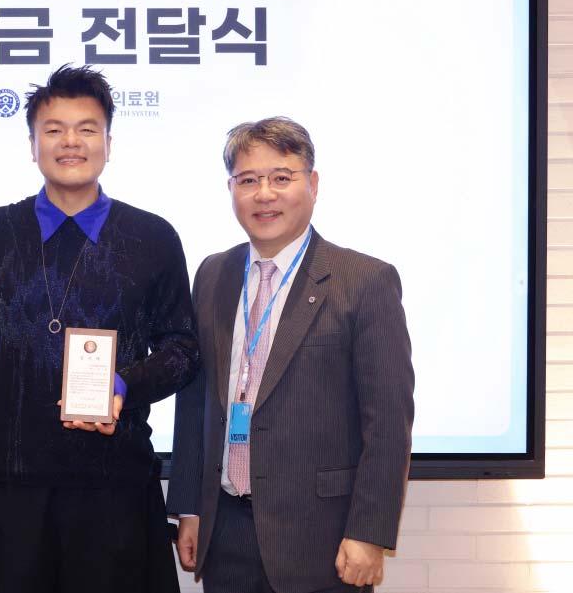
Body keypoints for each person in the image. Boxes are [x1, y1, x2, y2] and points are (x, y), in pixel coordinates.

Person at [0, 65, 199, 593]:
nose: (70, 142)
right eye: (53, 129)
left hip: (117, 487)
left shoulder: (153, 236)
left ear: (108, 144)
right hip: (14, 488)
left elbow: (183, 349)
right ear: (32, 145)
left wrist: (124, 385)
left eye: (87, 129)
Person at [167, 117, 414, 593]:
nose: (264, 194)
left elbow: (388, 422)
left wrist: (369, 533)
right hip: (225, 531)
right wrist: (189, 507)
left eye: (281, 177)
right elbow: (196, 401)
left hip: (321, 538)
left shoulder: (365, 281)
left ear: (313, 184)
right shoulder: (213, 274)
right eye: (248, 180)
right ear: (231, 189)